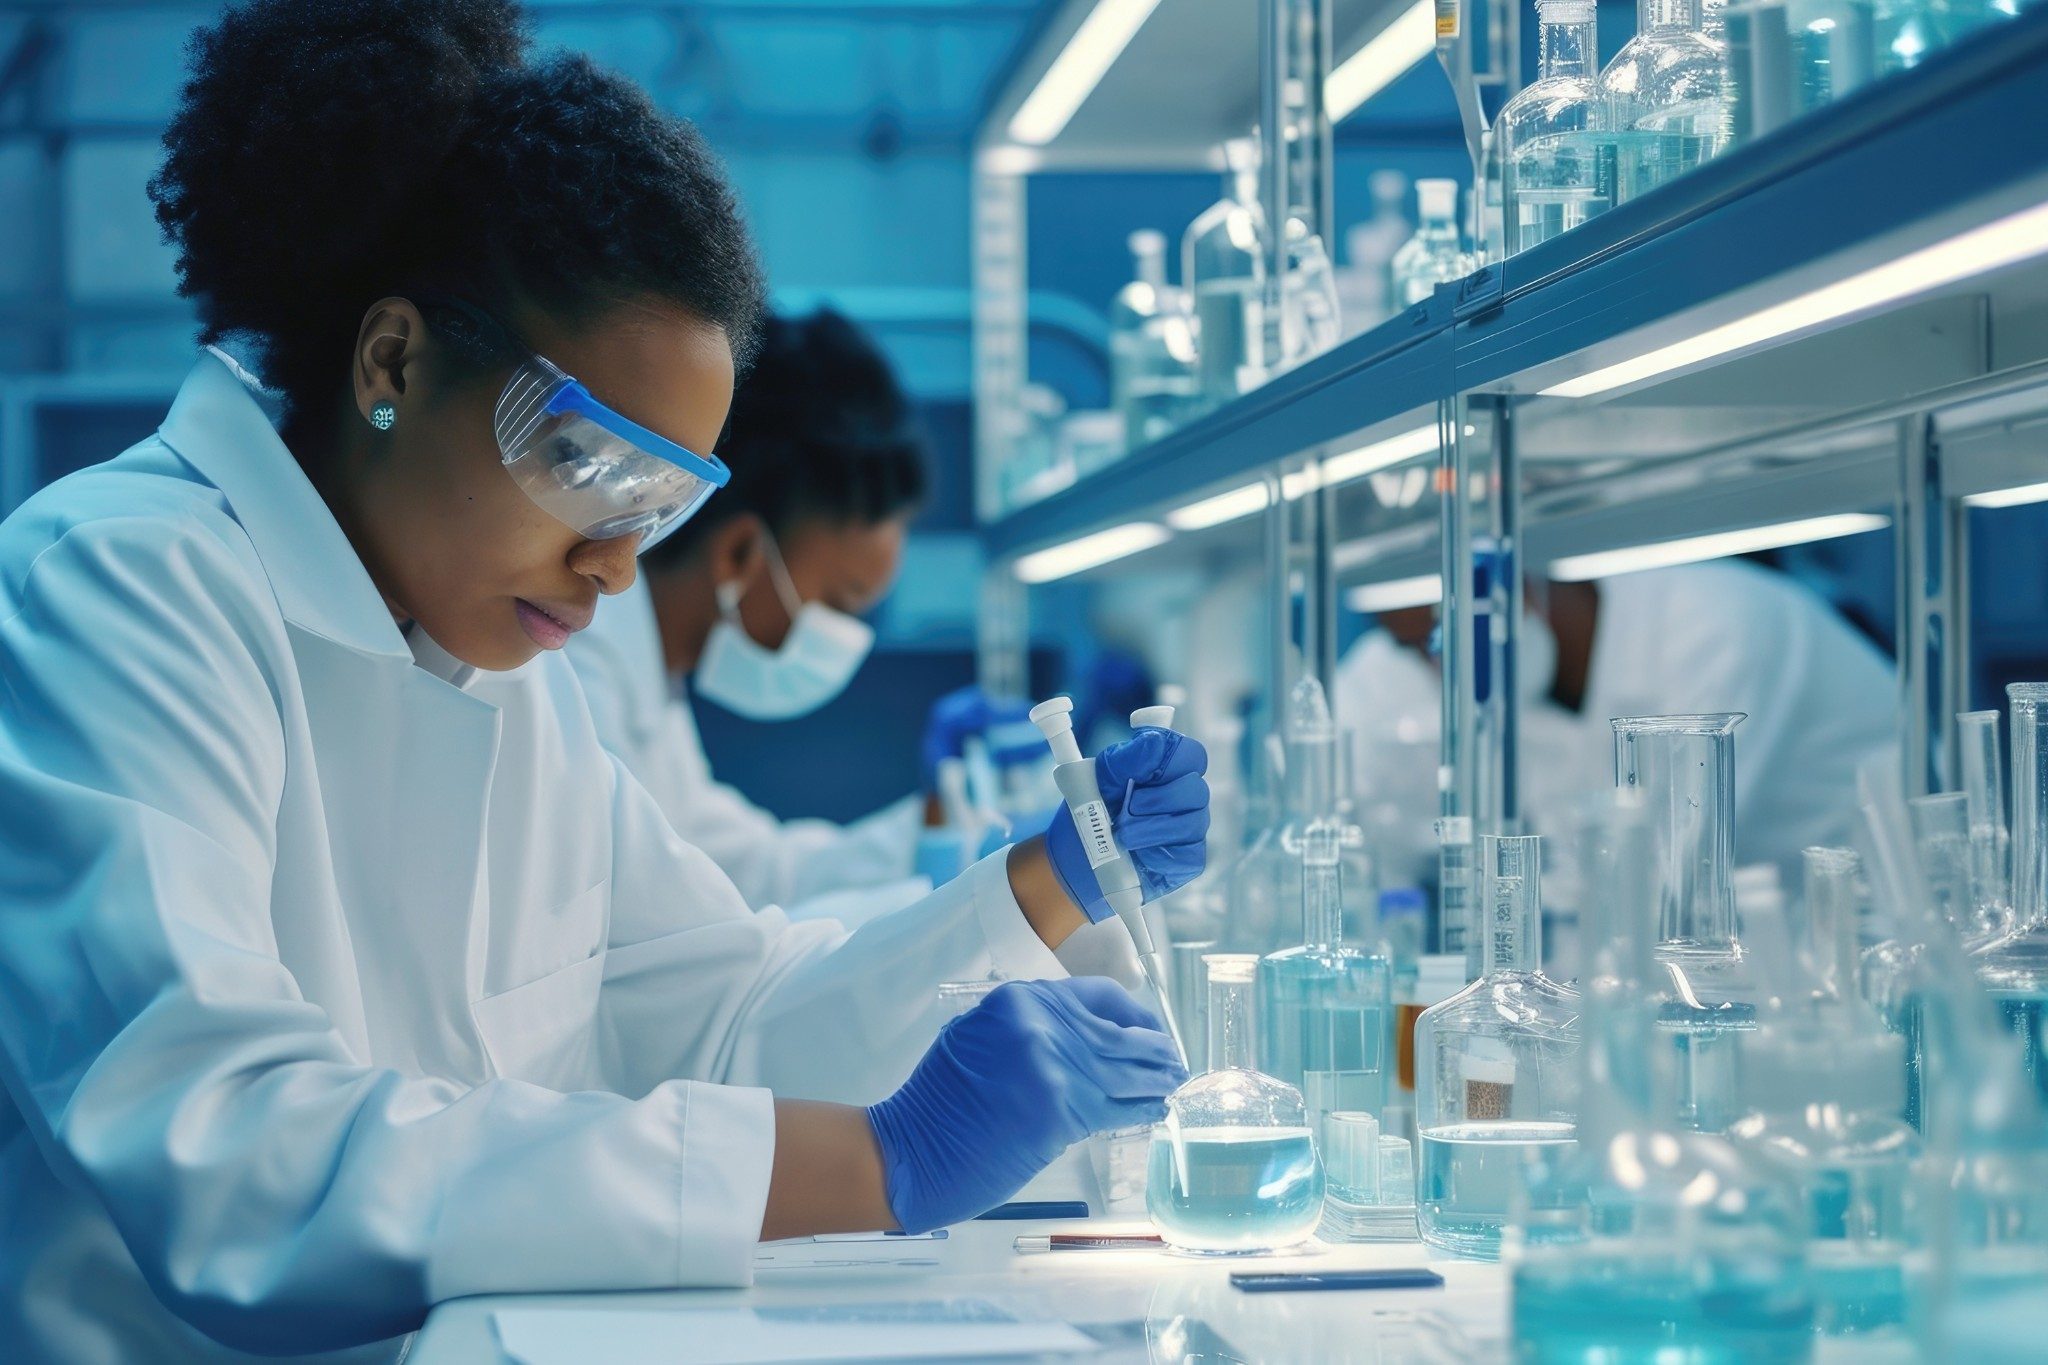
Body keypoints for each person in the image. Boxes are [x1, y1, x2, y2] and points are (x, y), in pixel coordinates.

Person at [0, 3, 1208, 1360]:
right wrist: (879, 1160)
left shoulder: (501, 668)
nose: (618, 567)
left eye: (660, 502)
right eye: (585, 469)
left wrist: (1036, 886)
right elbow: (231, 1155)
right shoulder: (118, 587)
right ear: (391, 362)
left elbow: (724, 1013)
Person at [566, 308, 1016, 911]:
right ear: (740, 553)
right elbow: (674, 938)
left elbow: (748, 872)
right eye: (840, 602)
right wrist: (988, 907)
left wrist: (939, 826)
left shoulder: (652, 683)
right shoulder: (577, 668)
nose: (847, 638)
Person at [1336, 560, 1898, 889]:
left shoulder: (1709, 628)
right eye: (1418, 649)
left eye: (1453, 634)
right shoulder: (1441, 672)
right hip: (1709, 979)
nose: (1441, 669)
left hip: (1859, 940)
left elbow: (1665, 877)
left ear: (1523, 584)